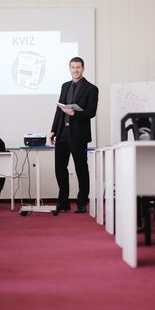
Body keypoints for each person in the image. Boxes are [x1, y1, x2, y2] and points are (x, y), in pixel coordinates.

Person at [49, 57, 99, 214]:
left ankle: (82, 203)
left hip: (78, 135)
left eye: (78, 67)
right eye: (73, 67)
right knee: (59, 169)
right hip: (62, 134)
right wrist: (53, 130)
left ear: (83, 68)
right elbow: (59, 109)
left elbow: (91, 112)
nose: (75, 70)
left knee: (81, 169)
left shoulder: (91, 89)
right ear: (69, 68)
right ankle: (63, 202)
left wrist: (74, 114)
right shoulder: (65, 86)